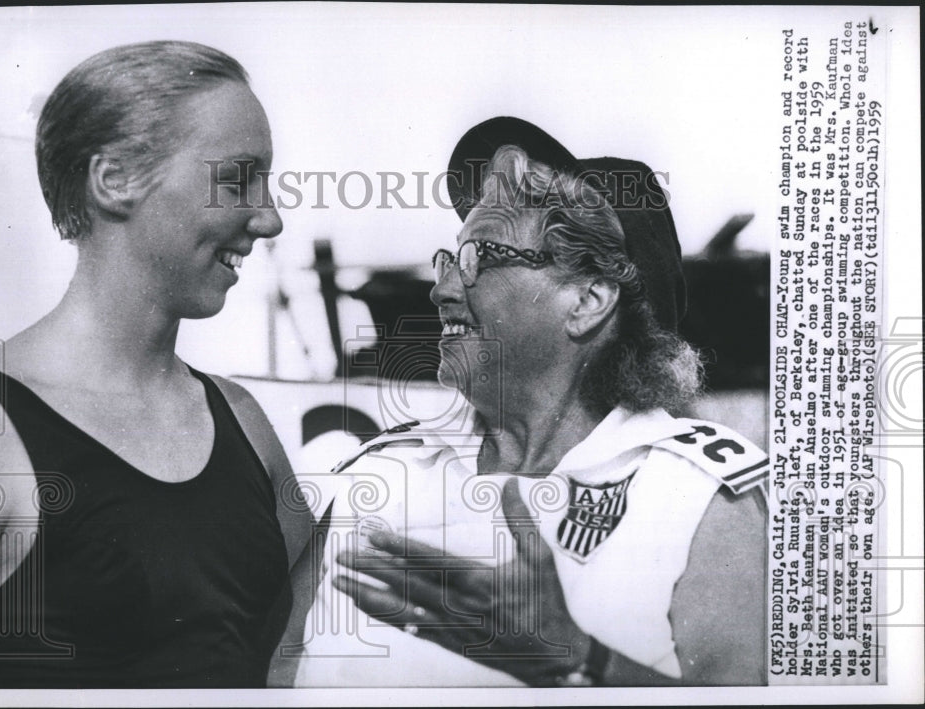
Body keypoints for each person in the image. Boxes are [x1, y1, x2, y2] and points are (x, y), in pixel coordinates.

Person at [293, 117, 768, 687]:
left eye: (481, 259)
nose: (441, 289)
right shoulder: (377, 469)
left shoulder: (701, 491)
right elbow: (272, 672)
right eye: (451, 259)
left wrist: (574, 657)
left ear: (587, 300)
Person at [0, 41, 312, 688]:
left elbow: (302, 653)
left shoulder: (242, 421)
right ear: (114, 180)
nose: (271, 216)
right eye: (238, 177)